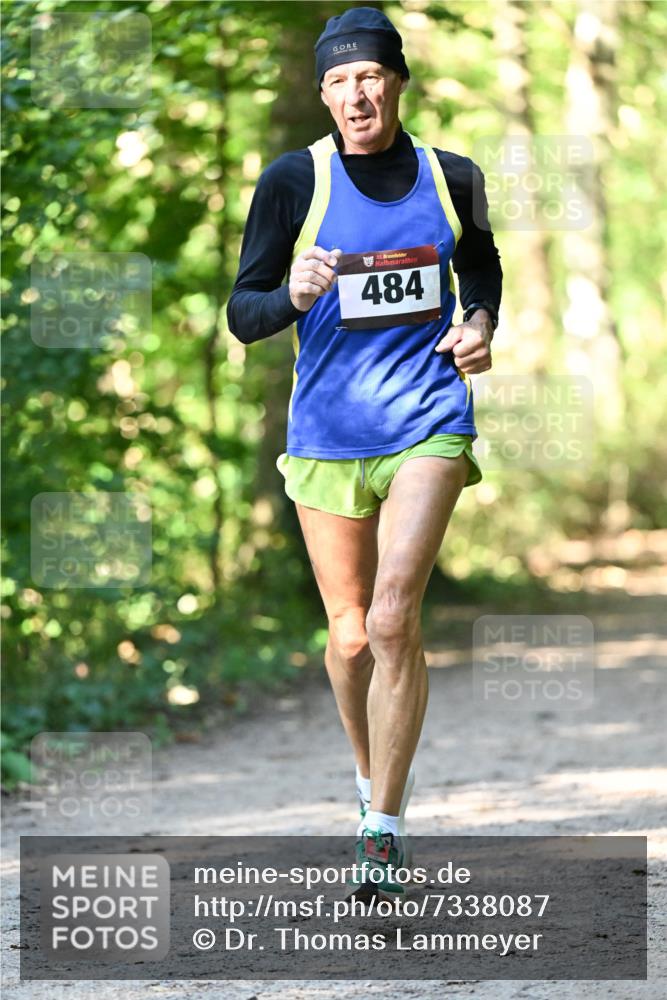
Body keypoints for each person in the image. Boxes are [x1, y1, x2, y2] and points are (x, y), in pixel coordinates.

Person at [227, 6, 502, 899]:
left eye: (370, 76)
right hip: (326, 433)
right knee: (348, 640)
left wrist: (479, 321)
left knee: (391, 619)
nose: (356, 92)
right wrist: (292, 294)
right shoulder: (290, 182)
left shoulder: (450, 176)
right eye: (339, 80)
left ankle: (381, 830)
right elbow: (244, 313)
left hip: (428, 420)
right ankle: (368, 777)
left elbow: (483, 264)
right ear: (322, 94)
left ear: (396, 83)